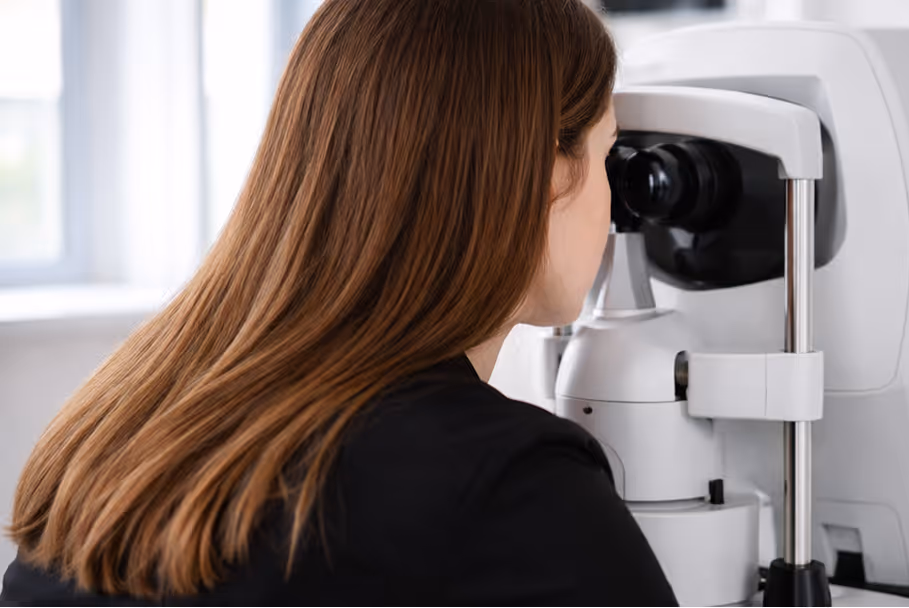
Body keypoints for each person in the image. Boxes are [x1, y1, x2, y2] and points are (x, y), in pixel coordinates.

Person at [0, 0, 678, 605]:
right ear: (548, 171)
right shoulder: (513, 492)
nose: (613, 202)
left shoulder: (121, 427)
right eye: (607, 151)